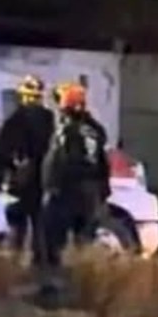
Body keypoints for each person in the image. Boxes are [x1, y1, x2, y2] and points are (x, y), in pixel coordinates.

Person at [40, 82, 110, 270]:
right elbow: (102, 160)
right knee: (85, 238)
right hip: (91, 190)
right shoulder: (95, 130)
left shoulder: (67, 129)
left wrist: (50, 185)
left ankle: (56, 280)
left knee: (54, 236)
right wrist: (103, 191)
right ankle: (85, 278)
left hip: (68, 190)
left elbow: (59, 160)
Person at [0, 75, 56, 265]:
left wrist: (5, 172)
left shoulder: (15, 119)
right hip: (41, 180)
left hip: (20, 181)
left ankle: (15, 263)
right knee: (40, 226)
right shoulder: (48, 118)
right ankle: (40, 264)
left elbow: (0, 148)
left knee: (17, 226)